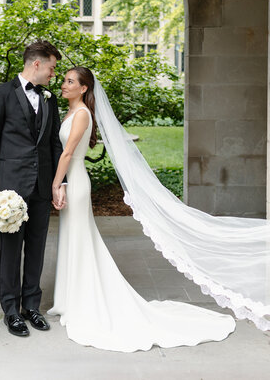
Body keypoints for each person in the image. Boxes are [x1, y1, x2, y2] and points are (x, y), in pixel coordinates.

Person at [48, 66, 236, 352]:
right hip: (71, 181)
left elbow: (69, 153)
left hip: (75, 182)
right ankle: (69, 298)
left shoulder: (82, 114)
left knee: (80, 238)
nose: (64, 84)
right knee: (75, 238)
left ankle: (82, 300)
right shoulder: (71, 112)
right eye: (64, 80)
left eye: (70, 81)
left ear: (84, 88)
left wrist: (57, 183)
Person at [0, 40, 67, 338]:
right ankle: (11, 311)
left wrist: (60, 182)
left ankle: (32, 306)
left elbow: (55, 143)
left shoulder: (49, 98)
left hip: (42, 185)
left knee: (37, 248)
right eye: (52, 68)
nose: (54, 74)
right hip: (10, 188)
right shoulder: (1, 94)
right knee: (11, 250)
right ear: (37, 64)